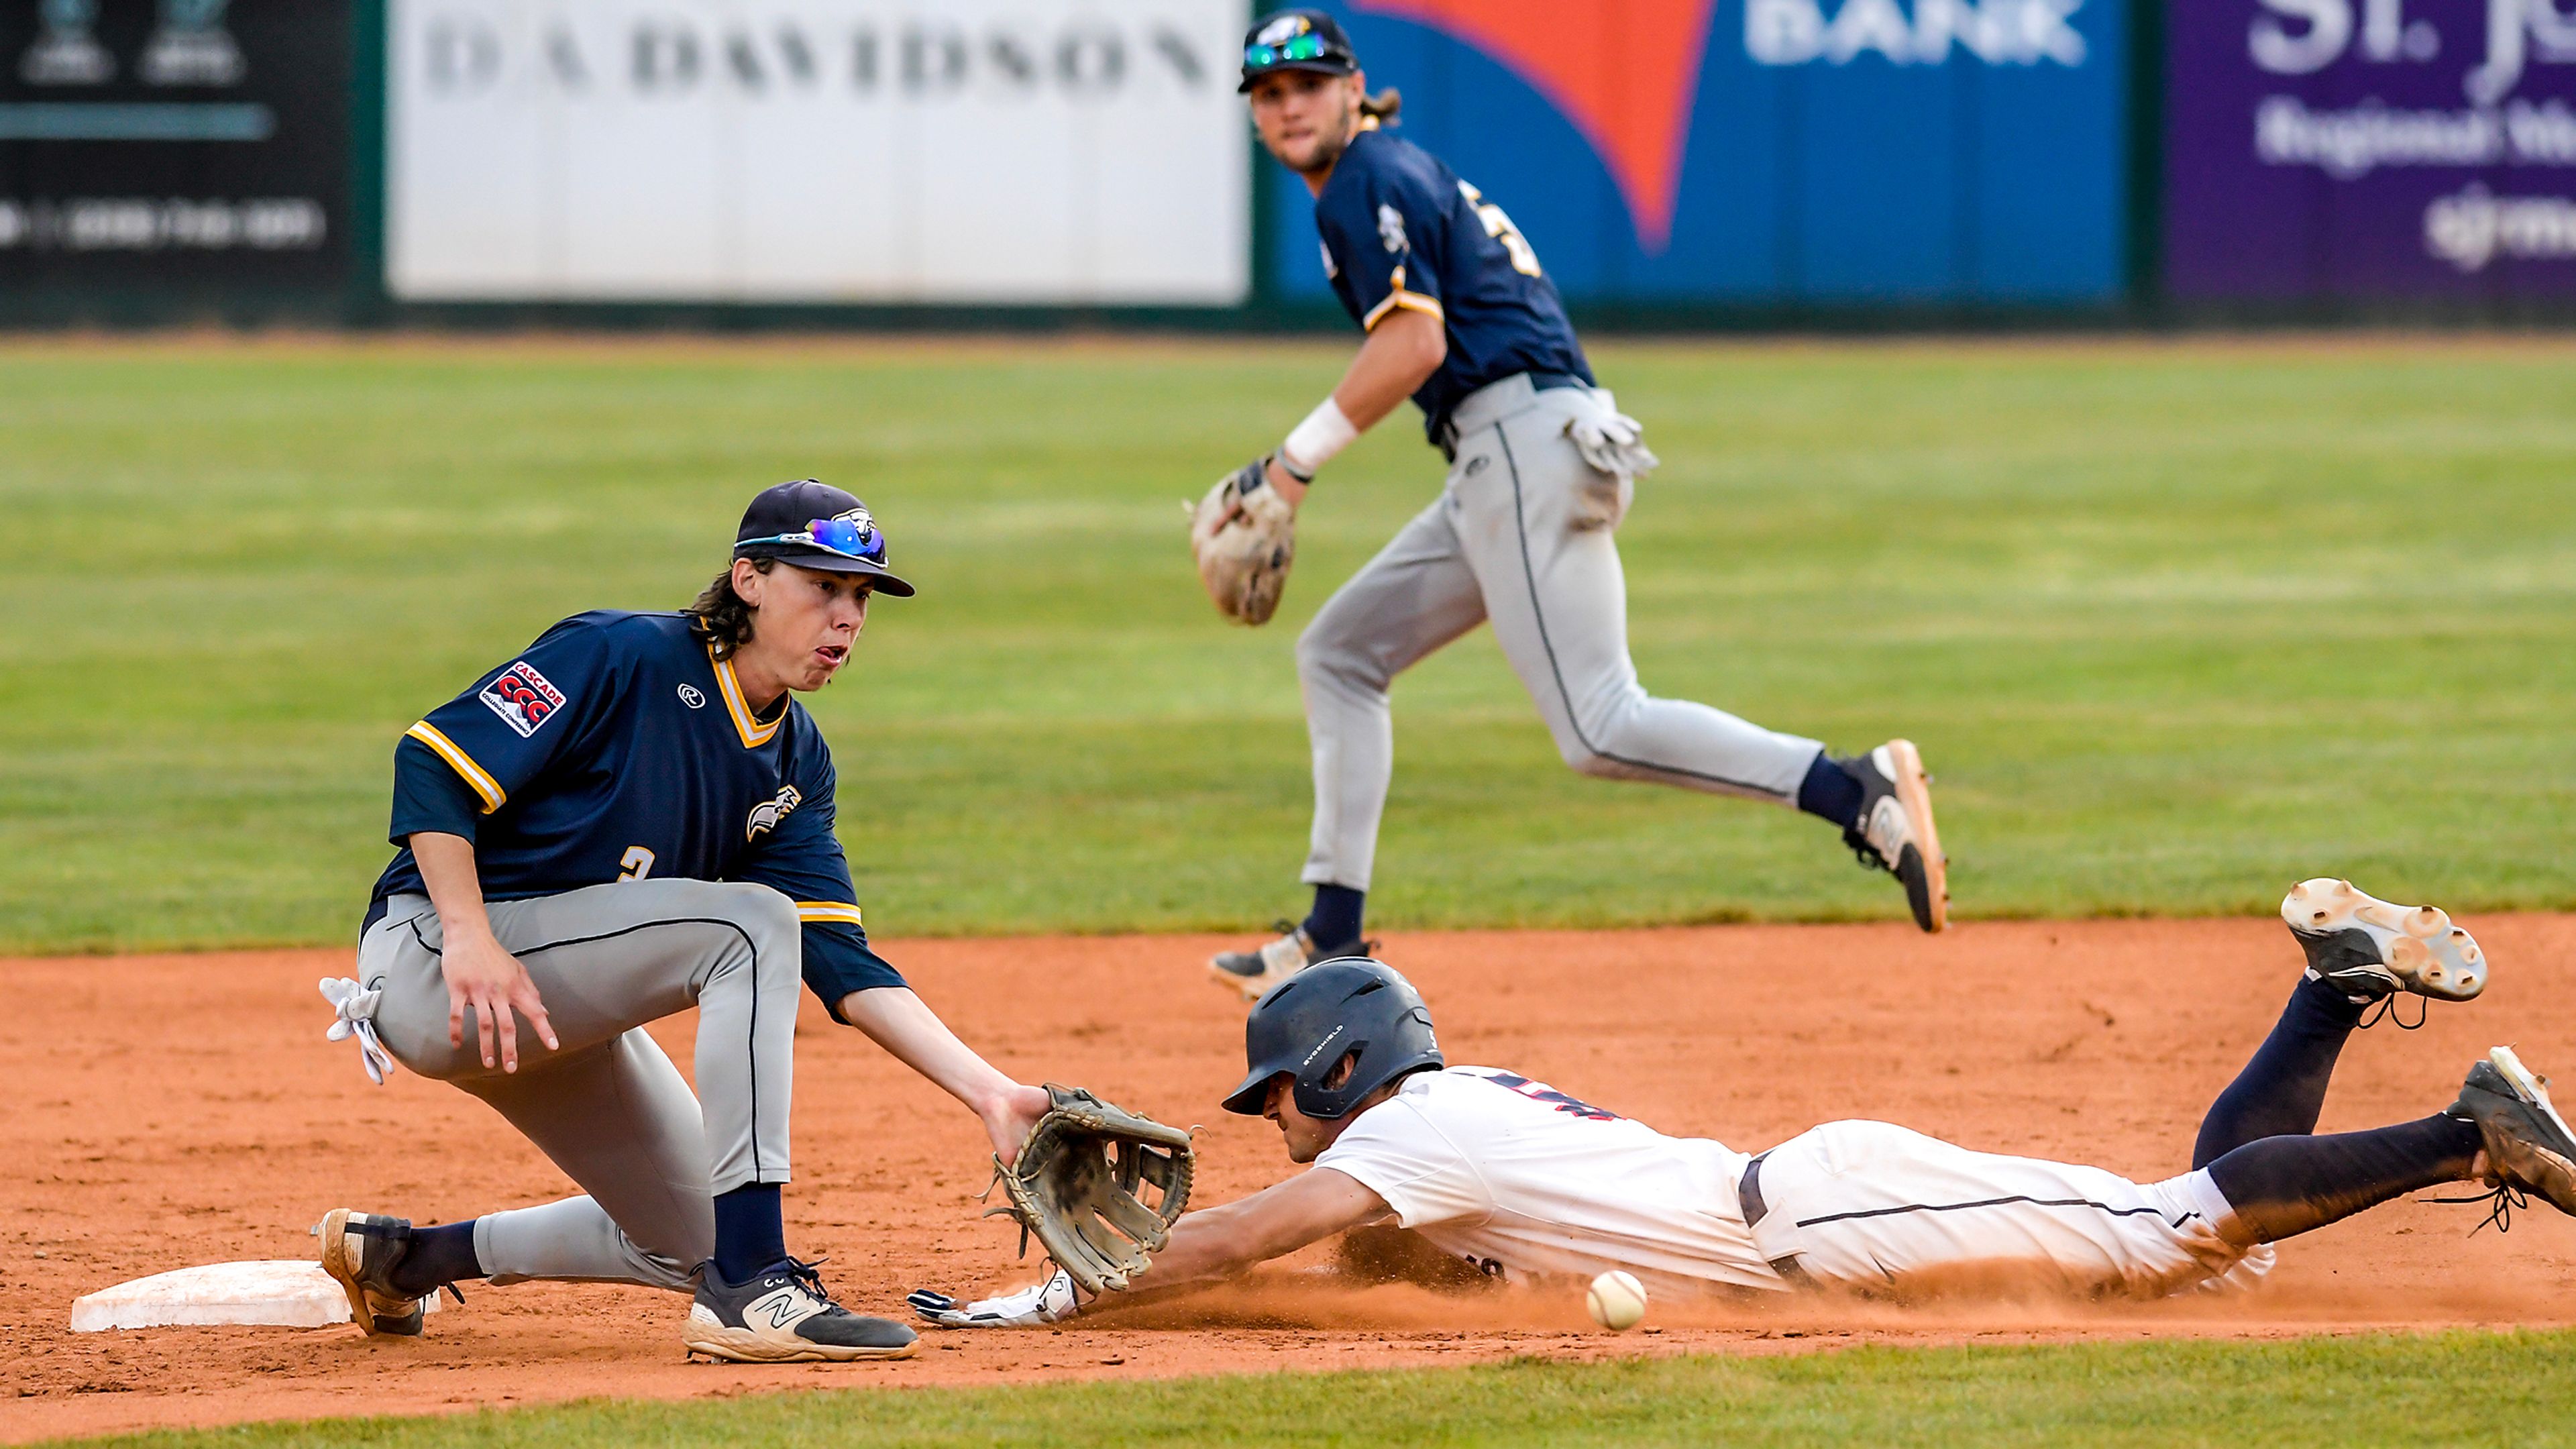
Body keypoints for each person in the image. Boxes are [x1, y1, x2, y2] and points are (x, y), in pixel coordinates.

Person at [910, 878, 2571, 1325]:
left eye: (1282, 1092)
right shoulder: (1448, 1123)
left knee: (2179, 1226)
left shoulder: (1402, 1140)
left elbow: (1234, 1245)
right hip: (1814, 1202)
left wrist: (1044, 1297)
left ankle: (2469, 1129)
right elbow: (1376, 1264)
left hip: (1824, 1219)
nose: (1277, 1121)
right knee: (2201, 1234)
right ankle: (2339, 987)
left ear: (1340, 1068)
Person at [1203, 10, 1946, 1002]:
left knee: (1599, 726)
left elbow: (1415, 348)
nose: (1289, 106)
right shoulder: (1393, 172)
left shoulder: (1366, 181)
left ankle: (1850, 787)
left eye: (1307, 85)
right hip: (1512, 452)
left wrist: (1290, 467)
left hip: (1521, 446)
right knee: (1339, 653)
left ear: (1352, 87)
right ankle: (1331, 933)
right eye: (1270, 94)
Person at [313, 479, 1051, 1364]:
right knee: (748, 928)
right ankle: (754, 1292)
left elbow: (842, 965)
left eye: (861, 597)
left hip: (551, 1007)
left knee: (694, 1236)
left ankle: (408, 1258)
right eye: (823, 586)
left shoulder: (794, 762)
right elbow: (431, 762)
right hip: (435, 960)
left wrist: (993, 1095)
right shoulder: (620, 654)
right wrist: (469, 936)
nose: (847, 616)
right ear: (748, 579)